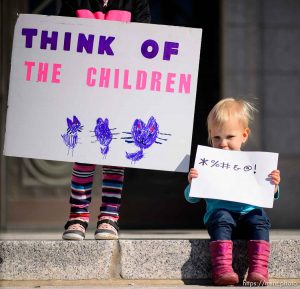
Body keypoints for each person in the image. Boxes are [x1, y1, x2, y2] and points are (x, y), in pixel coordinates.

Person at [59, 0, 151, 241]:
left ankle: (109, 217)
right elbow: (60, 39)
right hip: (82, 91)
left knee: (114, 159)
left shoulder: (136, 2)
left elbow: (147, 40)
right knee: (83, 156)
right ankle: (77, 216)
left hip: (120, 92)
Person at [184, 98, 280, 286]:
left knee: (260, 217)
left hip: (249, 216)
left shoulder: (254, 164)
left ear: (244, 135)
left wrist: (274, 184)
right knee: (221, 216)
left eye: (230, 137)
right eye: (217, 138)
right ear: (210, 135)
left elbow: (269, 193)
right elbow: (191, 198)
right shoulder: (207, 164)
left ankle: (258, 269)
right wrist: (192, 183)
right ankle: (223, 269)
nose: (223, 143)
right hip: (221, 220)